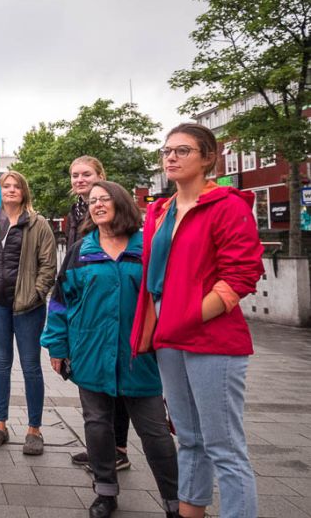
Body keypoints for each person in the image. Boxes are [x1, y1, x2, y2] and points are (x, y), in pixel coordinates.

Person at [131, 123, 264, 518]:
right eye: (167, 150)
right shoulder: (158, 211)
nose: (170, 157)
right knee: (188, 439)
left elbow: (241, 275)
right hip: (170, 339)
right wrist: (159, 327)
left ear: (208, 158)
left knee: (224, 447)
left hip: (213, 341)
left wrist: (186, 317)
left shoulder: (227, 206)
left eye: (183, 151)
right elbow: (154, 279)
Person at [42, 180, 179, 518]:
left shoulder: (146, 247)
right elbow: (60, 302)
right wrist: (57, 347)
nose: (97, 205)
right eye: (92, 201)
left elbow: (167, 297)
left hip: (140, 356)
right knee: (97, 426)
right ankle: (105, 492)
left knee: (155, 433)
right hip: (90, 352)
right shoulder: (81, 251)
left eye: (104, 199)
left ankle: (176, 502)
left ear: (122, 204)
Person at [0, 170, 56, 454]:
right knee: (1, 364)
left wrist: (35, 294)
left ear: (24, 192)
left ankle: (34, 430)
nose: (10, 190)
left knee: (31, 366)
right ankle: (0, 425)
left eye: (16, 186)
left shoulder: (38, 223)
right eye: (5, 186)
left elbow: (48, 266)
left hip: (28, 306)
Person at [66, 156, 132, 472]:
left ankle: (117, 448)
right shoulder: (77, 209)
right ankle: (101, 448)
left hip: (112, 297)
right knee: (97, 383)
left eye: (86, 174)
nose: (80, 179)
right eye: (75, 175)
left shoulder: (112, 204)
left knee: (116, 382)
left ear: (100, 175)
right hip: (87, 296)